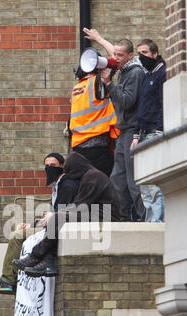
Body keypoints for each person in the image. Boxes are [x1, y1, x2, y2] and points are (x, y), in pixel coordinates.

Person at [0, 153, 79, 294]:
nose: (49, 169)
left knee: (17, 236)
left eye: (53, 166)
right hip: (53, 225)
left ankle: (8, 281)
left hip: (58, 229)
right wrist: (33, 224)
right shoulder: (57, 187)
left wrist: (37, 225)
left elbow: (60, 215)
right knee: (18, 228)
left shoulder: (67, 185)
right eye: (46, 166)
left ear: (62, 166)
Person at [11, 152, 121, 278]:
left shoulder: (92, 177)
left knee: (58, 218)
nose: (69, 176)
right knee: (58, 218)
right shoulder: (89, 176)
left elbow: (80, 206)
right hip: (96, 213)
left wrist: (55, 215)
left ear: (75, 167)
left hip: (105, 217)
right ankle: (48, 262)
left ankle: (35, 256)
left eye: (70, 171)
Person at [84, 29, 146, 222]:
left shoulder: (135, 72)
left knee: (132, 180)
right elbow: (114, 50)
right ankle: (119, 219)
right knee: (117, 179)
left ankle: (143, 220)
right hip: (123, 132)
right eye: (115, 55)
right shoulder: (125, 66)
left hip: (131, 130)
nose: (115, 58)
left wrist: (110, 84)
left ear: (130, 56)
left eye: (120, 55)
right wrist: (99, 39)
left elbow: (127, 102)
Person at [131, 39, 166, 222]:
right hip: (143, 134)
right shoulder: (147, 76)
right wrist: (136, 134)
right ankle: (149, 222)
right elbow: (142, 108)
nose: (141, 57)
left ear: (154, 53)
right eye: (139, 53)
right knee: (144, 183)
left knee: (154, 184)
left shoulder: (162, 73)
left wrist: (160, 130)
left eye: (144, 52)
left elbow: (164, 104)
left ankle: (157, 222)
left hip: (154, 133)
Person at [69, 66, 120, 177]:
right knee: (104, 184)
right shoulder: (96, 82)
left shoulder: (76, 88)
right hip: (98, 145)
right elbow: (115, 65)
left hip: (78, 146)